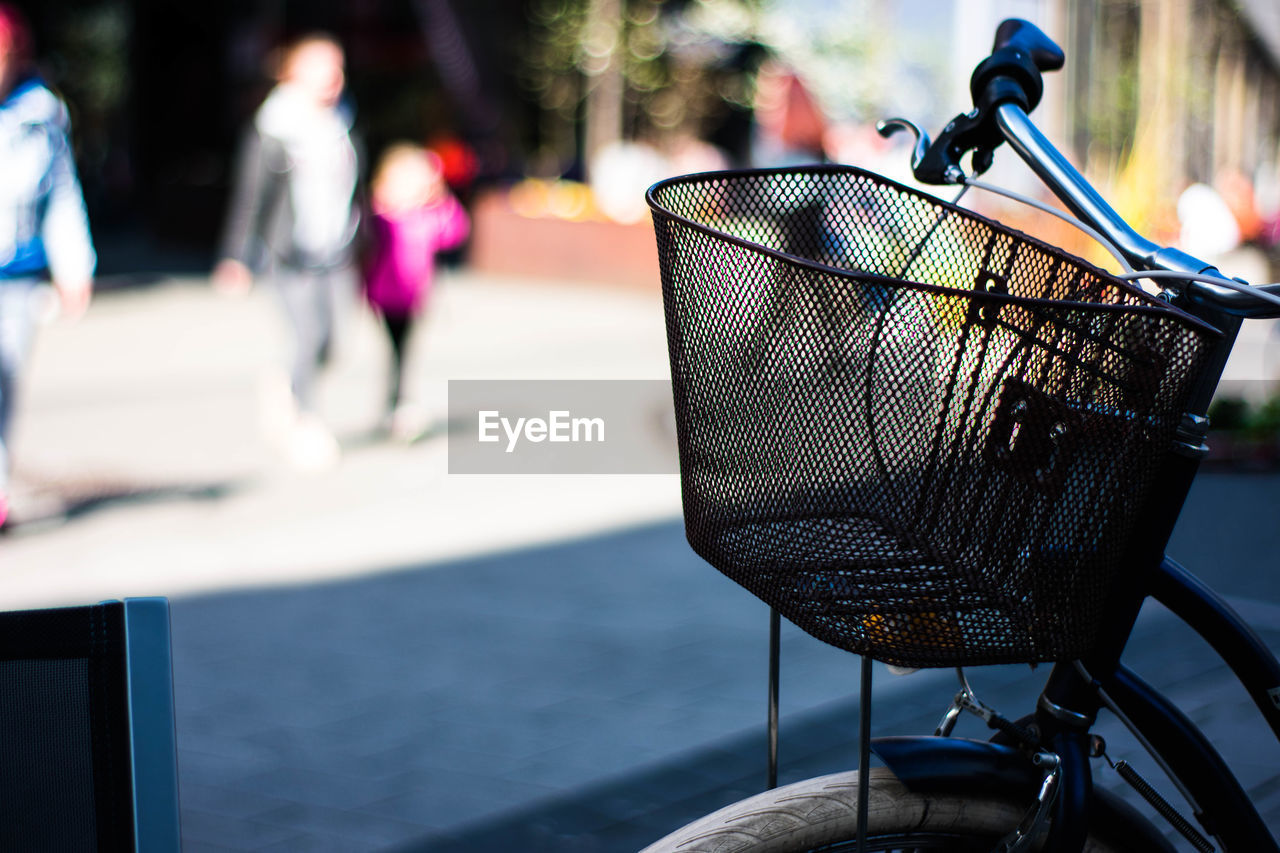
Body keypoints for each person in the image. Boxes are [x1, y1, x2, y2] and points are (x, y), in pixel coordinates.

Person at [214, 32, 359, 469]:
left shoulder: (345, 121)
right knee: (306, 335)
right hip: (288, 251)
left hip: (338, 247)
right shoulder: (273, 126)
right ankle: (305, 421)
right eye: (323, 68)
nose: (334, 78)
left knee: (333, 342)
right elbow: (251, 195)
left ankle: (287, 387)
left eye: (338, 68)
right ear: (294, 73)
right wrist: (236, 255)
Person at [0, 3, 95, 526]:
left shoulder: (41, 114)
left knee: (6, 379)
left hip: (15, 272)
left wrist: (74, 266)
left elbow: (61, 195)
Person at [363, 143, 469, 438]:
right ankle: (395, 405)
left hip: (414, 298)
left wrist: (442, 195)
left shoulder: (430, 216)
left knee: (403, 353)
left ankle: (396, 405)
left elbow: (456, 231)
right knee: (396, 351)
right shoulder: (381, 216)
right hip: (384, 297)